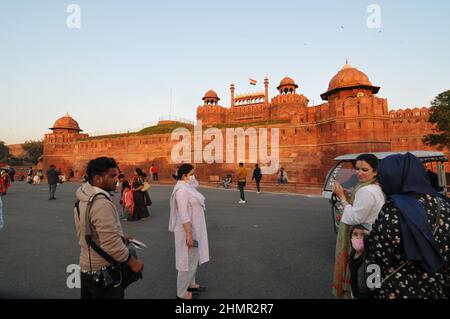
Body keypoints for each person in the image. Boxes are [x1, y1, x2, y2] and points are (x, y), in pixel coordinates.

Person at [365, 153, 450, 299]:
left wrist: (371, 287)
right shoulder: (443, 203)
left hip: (401, 289)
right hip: (439, 286)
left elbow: (379, 256)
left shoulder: (394, 209)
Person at [74, 157, 144, 299]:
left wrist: (121, 239)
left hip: (87, 267)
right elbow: (110, 244)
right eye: (112, 176)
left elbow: (89, 232)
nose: (116, 179)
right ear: (98, 178)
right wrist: (133, 262)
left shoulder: (85, 196)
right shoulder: (101, 203)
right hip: (104, 271)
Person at [331, 153, 385, 299]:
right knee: (368, 279)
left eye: (365, 170)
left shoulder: (366, 190)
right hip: (371, 235)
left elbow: (355, 217)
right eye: (357, 168)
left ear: (375, 171)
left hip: (362, 237)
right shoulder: (373, 186)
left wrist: (342, 197)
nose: (359, 173)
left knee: (358, 277)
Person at [169, 163, 210, 299]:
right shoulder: (181, 190)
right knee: (185, 261)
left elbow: (195, 184)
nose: (194, 176)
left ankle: (190, 284)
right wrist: (189, 234)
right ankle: (181, 294)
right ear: (184, 176)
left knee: (193, 258)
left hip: (194, 229)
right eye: (191, 173)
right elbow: (183, 214)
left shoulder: (188, 186)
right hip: (187, 230)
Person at [348, 224, 373, 299]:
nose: (358, 237)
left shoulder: (370, 258)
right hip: (355, 292)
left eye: (362, 235)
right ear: (351, 238)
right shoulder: (352, 254)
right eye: (355, 234)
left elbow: (375, 284)